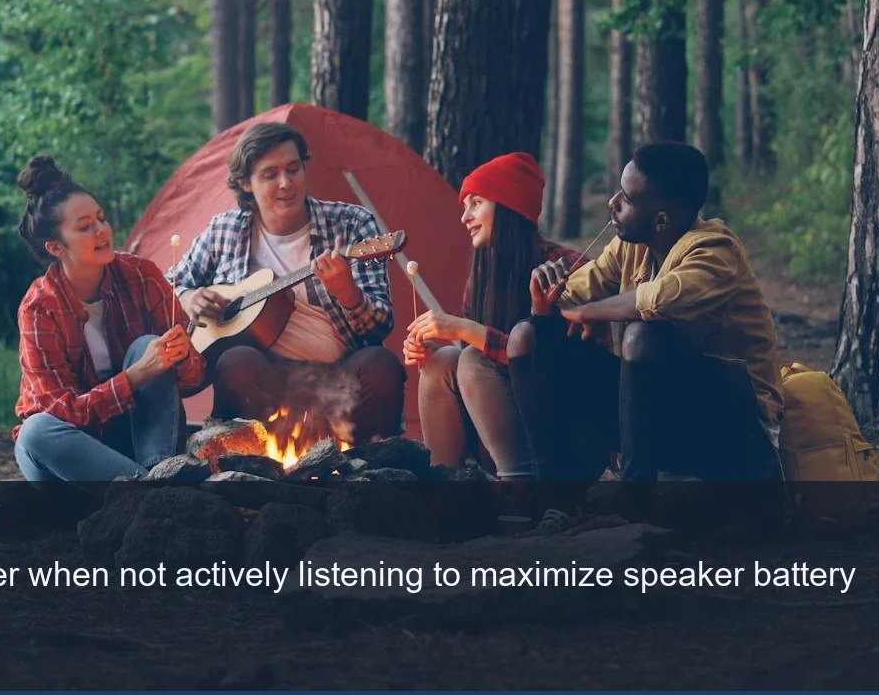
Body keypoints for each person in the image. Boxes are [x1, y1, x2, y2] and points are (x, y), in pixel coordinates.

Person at [528, 141, 784, 500]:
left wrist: (589, 312)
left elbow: (663, 298)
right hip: (669, 414)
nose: (611, 202)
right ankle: (553, 497)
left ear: (660, 219)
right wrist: (547, 300)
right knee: (533, 336)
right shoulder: (632, 244)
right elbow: (577, 291)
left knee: (642, 337)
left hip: (733, 427)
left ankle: (634, 500)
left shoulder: (715, 251)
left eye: (626, 199)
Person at [167, 121, 403, 442]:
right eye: (270, 174)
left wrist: (349, 294)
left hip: (340, 378)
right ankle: (248, 464)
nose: (286, 183)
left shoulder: (352, 224)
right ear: (245, 183)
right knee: (235, 361)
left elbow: (381, 326)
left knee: (381, 366)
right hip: (265, 382)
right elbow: (169, 286)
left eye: (294, 169)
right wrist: (189, 297)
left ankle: (367, 472)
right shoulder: (225, 230)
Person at [405, 152, 609, 487]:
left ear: (509, 206)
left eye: (476, 203)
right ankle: (444, 485)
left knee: (470, 356)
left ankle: (521, 489)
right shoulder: (483, 277)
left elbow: (562, 369)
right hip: (501, 433)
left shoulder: (567, 267)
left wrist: (466, 331)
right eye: (464, 206)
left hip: (565, 442)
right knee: (443, 360)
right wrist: (433, 348)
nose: (465, 217)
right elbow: (481, 369)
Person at [13, 156, 206, 483]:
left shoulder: (141, 276)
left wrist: (182, 355)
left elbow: (195, 380)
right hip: (72, 457)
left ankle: (156, 475)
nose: (102, 231)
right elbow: (67, 413)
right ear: (56, 247)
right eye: (85, 226)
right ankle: (154, 491)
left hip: (137, 442)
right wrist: (137, 374)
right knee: (35, 431)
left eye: (101, 219)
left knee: (149, 345)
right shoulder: (39, 308)